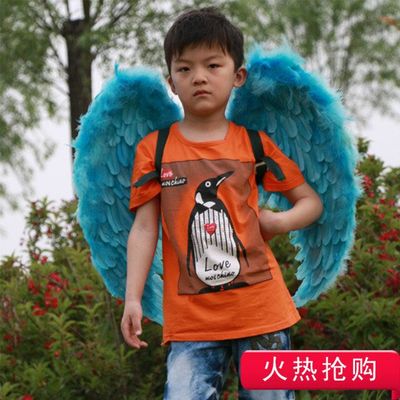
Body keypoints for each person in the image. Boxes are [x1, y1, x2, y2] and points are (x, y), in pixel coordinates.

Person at [121, 7, 323, 400]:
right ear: (171, 82)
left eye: (213, 65)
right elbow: (144, 228)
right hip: (191, 323)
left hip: (262, 313)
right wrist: (133, 298)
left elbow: (310, 203)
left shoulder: (254, 144)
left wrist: (278, 222)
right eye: (185, 69)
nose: (199, 77)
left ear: (237, 75)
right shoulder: (154, 150)